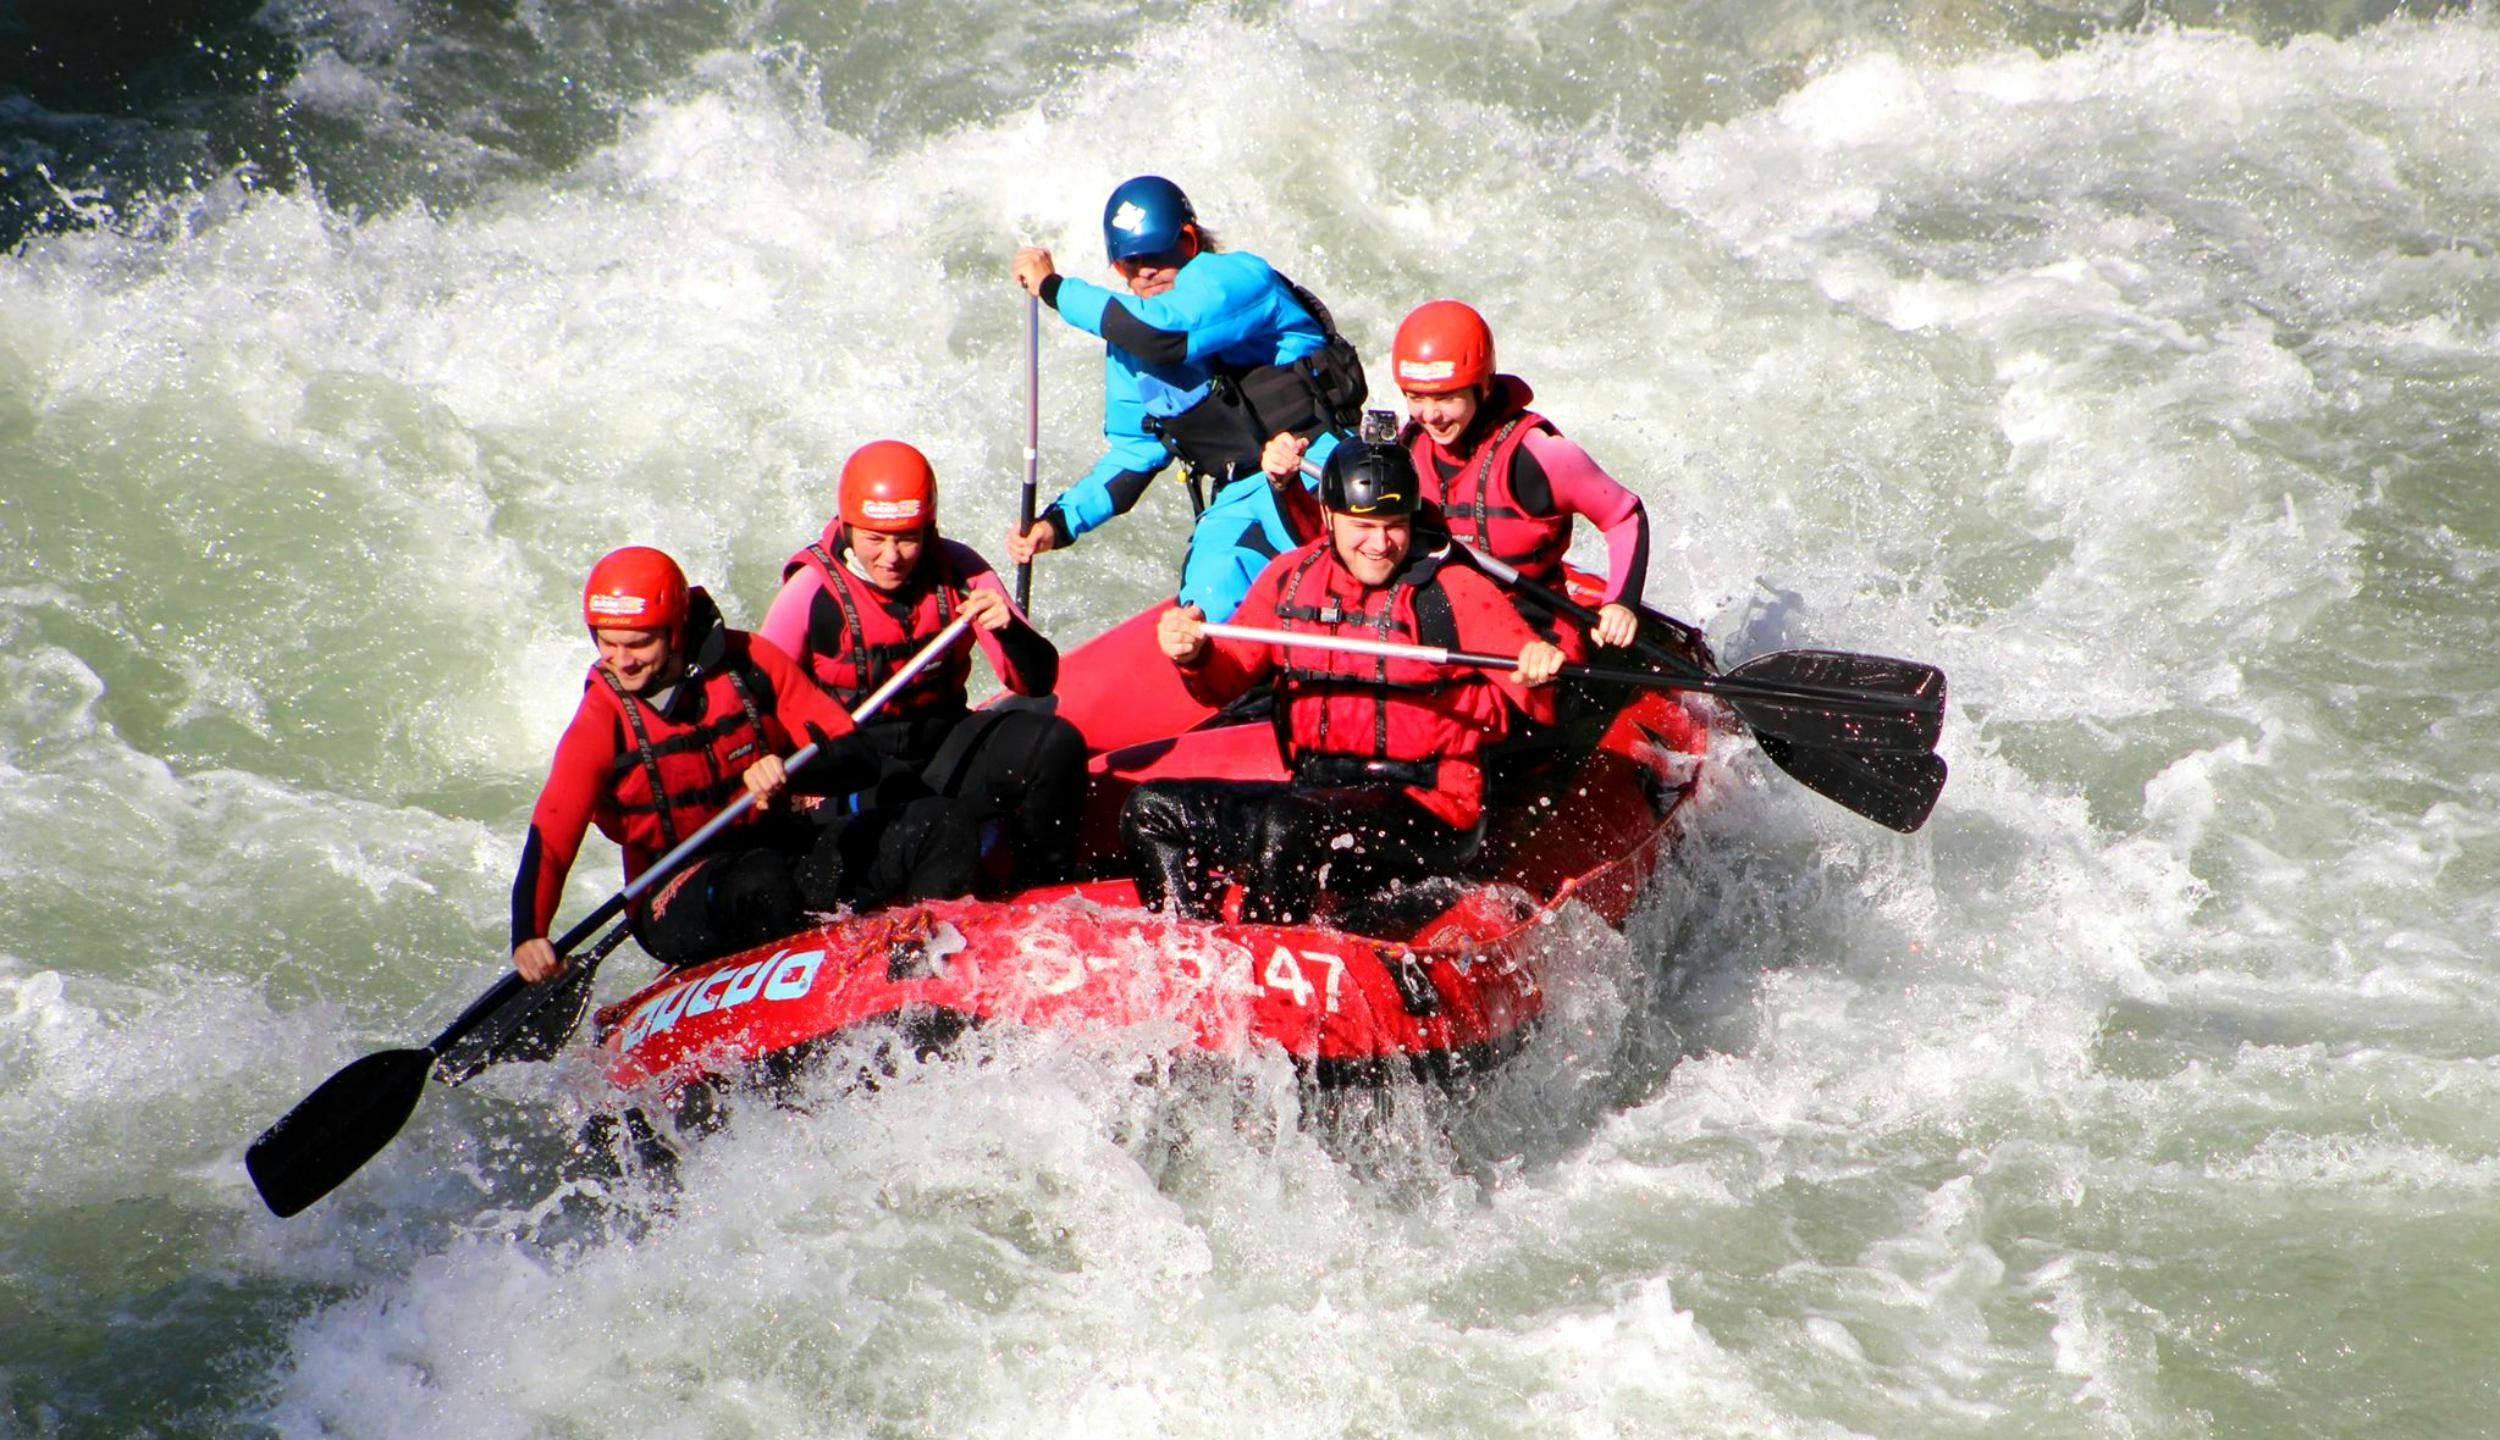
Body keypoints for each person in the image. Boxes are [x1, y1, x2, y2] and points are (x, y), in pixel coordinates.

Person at [1118, 441, 1565, 926]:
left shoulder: (1453, 591)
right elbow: (1226, 681)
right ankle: (1191, 944)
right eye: (1364, 527)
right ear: (1329, 517)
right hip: (1315, 792)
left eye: (1394, 526)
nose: (1379, 544)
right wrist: (1196, 655)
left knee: (1289, 825)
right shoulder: (1289, 579)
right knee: (1151, 808)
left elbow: (1536, 699)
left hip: (1429, 808)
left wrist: (1537, 669)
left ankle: (1262, 965)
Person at [510, 546, 976, 983]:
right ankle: (820, 991)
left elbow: (856, 758)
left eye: (637, 644)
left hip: (783, 850)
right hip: (677, 889)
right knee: (763, 884)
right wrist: (529, 933)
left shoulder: (750, 663)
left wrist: (790, 771)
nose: (621, 662)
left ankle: (930, 959)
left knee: (939, 821)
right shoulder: (601, 719)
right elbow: (552, 834)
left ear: (675, 632)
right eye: (607, 644)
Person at [1007, 174, 1368, 621]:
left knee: (1345, 580)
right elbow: (1135, 453)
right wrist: (1058, 523)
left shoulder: (1236, 276)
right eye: (1129, 264)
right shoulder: (1130, 348)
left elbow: (1166, 335)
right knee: (1205, 601)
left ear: (1190, 241)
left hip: (1321, 466)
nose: (1145, 272)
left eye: (1158, 255)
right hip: (1241, 496)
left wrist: (1054, 288)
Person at [760, 439, 1087, 889]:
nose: (891, 557)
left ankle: (1044, 890)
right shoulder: (809, 592)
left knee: (1055, 743)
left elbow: (1037, 683)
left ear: (928, 529)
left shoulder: (960, 569)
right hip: (856, 770)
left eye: (907, 538)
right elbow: (755, 708)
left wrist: (1009, 630)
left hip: (943, 746)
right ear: (849, 527)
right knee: (926, 812)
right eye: (875, 539)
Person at [1262, 299, 1650, 652]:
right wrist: (1287, 486)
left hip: (1534, 628)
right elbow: (1343, 546)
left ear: (1482, 386)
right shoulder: (1407, 451)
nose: (1431, 415)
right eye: (1416, 397)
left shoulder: (1538, 455)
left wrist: (1620, 603)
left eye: (1446, 397)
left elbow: (1622, 516)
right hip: (1436, 618)